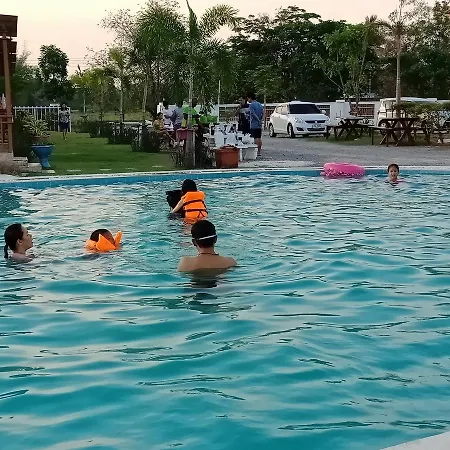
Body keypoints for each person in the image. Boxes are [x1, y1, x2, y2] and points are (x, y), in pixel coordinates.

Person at [247, 93, 264, 157]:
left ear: (250, 98)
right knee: (259, 137)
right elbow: (263, 113)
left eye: (248, 98)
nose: (247, 100)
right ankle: (259, 151)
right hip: (259, 124)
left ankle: (255, 151)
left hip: (254, 123)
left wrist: (258, 120)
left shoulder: (251, 105)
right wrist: (261, 120)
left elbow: (253, 114)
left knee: (255, 138)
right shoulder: (259, 104)